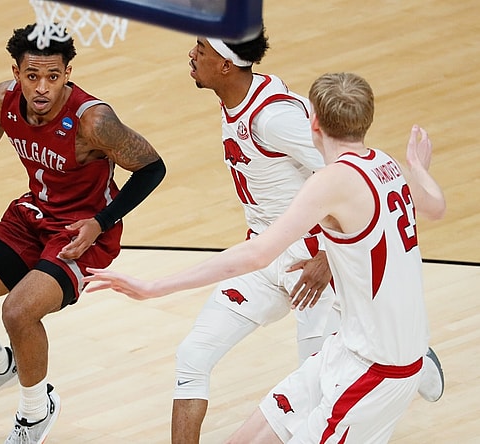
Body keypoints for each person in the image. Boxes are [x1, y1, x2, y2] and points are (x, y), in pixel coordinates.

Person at [86, 72, 446, 443]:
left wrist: (154, 287)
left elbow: (258, 253)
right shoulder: (384, 164)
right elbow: (435, 207)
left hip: (378, 368)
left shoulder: (329, 182)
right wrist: (418, 169)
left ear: (314, 121)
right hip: (346, 350)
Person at [0, 24, 166, 443]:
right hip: (32, 215)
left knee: (18, 312)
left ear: (68, 73)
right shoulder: (1, 101)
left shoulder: (94, 120)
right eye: (32, 75)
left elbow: (152, 168)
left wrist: (101, 222)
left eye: (53, 77)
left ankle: (36, 411)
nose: (42, 87)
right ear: (16, 71)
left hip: (82, 231)